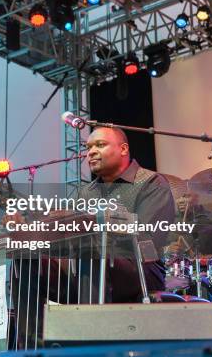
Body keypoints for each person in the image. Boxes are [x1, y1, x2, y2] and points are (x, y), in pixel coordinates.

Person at [80, 126, 176, 302]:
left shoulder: (151, 182)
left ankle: (92, 328)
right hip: (91, 263)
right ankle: (33, 330)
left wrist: (103, 226)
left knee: (91, 254)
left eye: (100, 145)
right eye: (88, 147)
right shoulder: (86, 192)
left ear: (123, 149)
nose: (91, 152)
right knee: (30, 261)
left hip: (142, 268)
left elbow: (149, 239)